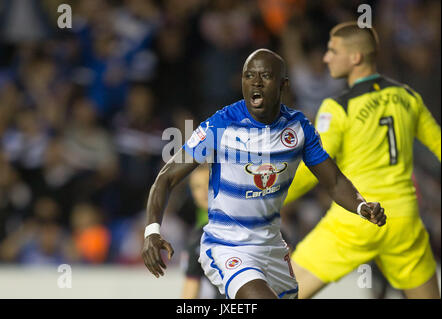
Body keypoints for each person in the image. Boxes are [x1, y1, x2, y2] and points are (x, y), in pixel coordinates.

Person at [142, 48, 386, 299]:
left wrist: (361, 205)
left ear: (283, 84)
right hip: (228, 247)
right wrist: (152, 230)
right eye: (249, 76)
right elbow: (167, 176)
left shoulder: (299, 128)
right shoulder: (220, 125)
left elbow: (333, 182)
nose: (255, 82)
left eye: (265, 76)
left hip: (273, 249)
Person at [284, 22, 441, 299]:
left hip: (356, 220)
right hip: (404, 221)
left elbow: (315, 168)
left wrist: (268, 200)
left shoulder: (338, 108)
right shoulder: (408, 97)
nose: (325, 57)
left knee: (279, 292)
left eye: (333, 51)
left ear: (355, 57)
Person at [180, 164, 224, 299]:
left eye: (208, 182)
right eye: (197, 187)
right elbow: (190, 291)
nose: (204, 191)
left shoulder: (254, 224)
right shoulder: (198, 239)